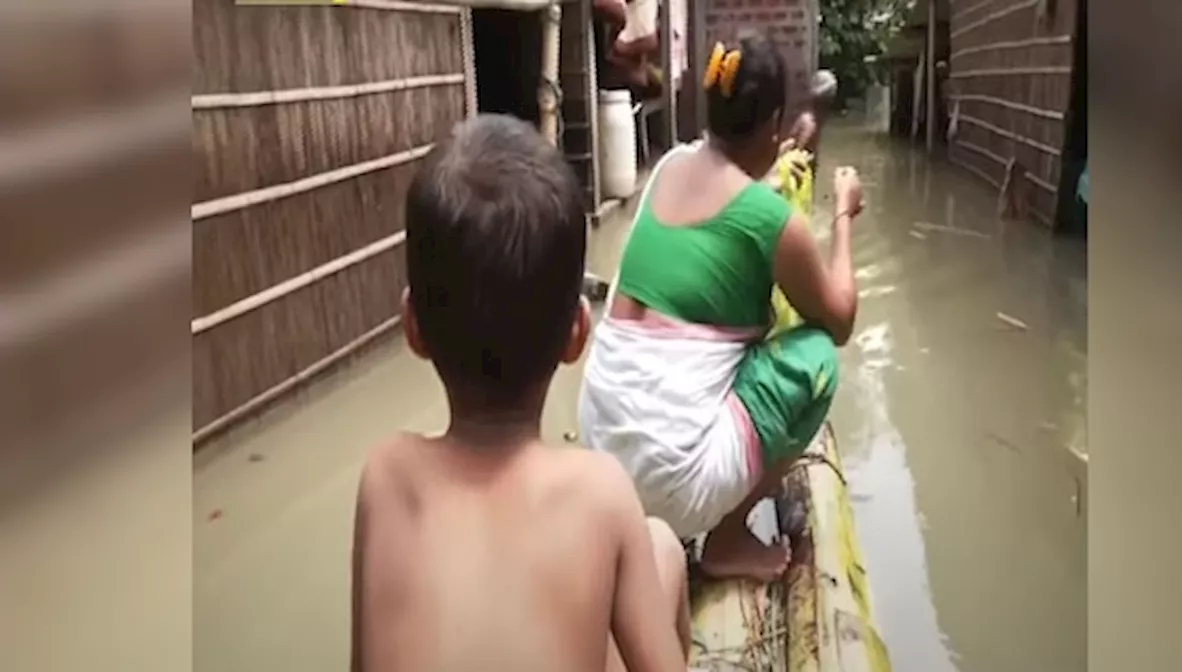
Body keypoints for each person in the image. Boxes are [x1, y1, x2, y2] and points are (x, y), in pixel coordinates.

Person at [350, 114, 689, 672]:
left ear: (413, 328)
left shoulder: (386, 478)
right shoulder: (601, 493)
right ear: (578, 333)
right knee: (663, 550)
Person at [578, 34, 864, 582]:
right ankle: (726, 538)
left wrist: (770, 174)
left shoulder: (668, 167)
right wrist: (844, 216)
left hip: (602, 451)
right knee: (820, 357)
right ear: (776, 120)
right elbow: (841, 319)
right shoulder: (771, 221)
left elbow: (728, 191)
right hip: (674, 485)